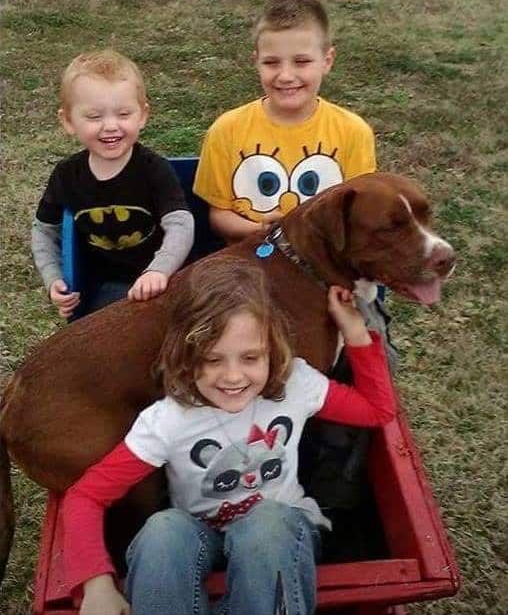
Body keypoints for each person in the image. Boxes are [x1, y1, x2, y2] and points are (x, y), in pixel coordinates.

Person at [62, 256, 396, 615]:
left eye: (250, 358)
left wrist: (356, 332)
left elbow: (377, 411)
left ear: (272, 348)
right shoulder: (170, 420)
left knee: (266, 523)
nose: (233, 377)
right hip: (201, 537)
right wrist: (95, 582)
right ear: (186, 355)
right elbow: (85, 497)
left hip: (279, 538)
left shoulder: (295, 385)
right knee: (163, 530)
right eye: (212, 359)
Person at [193, 0, 376, 243]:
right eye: (271, 62)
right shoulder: (226, 130)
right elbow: (218, 215)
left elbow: (357, 217)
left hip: (325, 266)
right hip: (251, 265)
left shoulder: (353, 132)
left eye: (301, 62)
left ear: (327, 60)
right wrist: (258, 228)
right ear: (256, 61)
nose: (286, 75)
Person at [32, 50, 194, 319]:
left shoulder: (154, 169)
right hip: (108, 286)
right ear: (68, 121)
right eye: (94, 117)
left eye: (123, 114)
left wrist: (159, 270)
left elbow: (181, 223)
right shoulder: (66, 175)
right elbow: (45, 230)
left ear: (142, 115)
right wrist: (53, 278)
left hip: (169, 278)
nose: (110, 126)